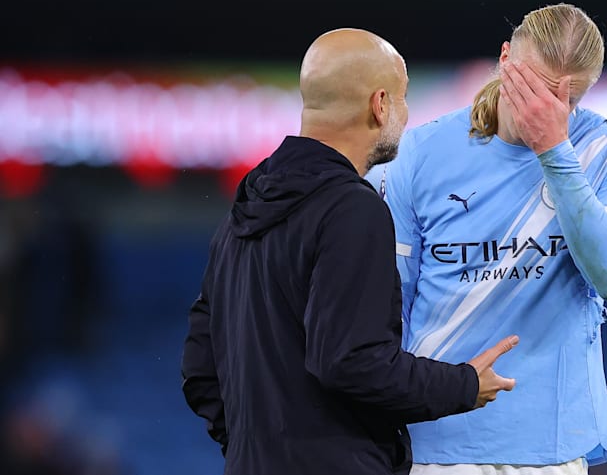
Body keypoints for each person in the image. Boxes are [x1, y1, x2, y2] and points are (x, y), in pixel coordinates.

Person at [180, 28, 519, 475]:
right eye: (402, 97)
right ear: (380, 105)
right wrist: (463, 385)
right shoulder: (352, 208)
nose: (405, 112)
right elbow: (350, 361)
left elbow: (200, 368)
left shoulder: (241, 213)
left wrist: (256, 448)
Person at [367, 4, 607, 474]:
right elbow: (389, 303)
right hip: (435, 440)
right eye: (532, 88)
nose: (542, 110)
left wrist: (555, 151)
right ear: (504, 59)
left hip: (549, 446)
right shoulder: (419, 151)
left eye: (565, 101)